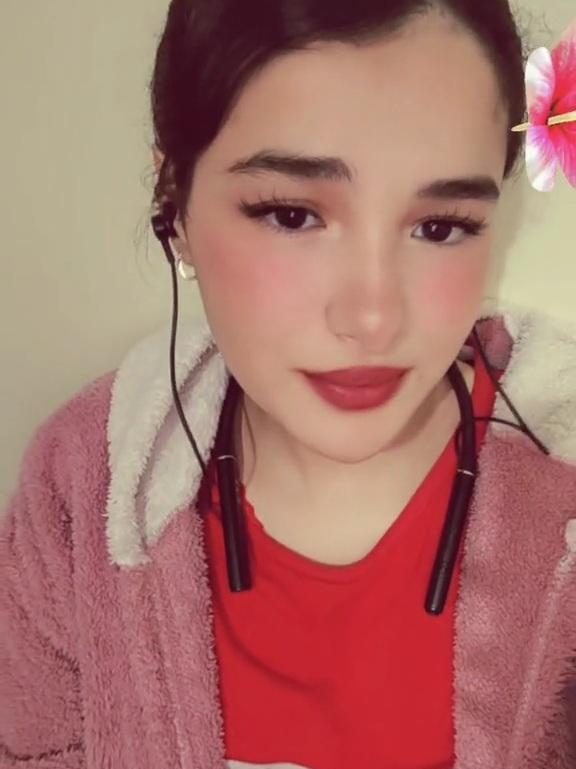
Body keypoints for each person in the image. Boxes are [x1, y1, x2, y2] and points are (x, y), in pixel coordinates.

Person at [1, 1, 576, 767]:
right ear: (174, 205)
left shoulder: (562, 492)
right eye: (292, 214)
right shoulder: (81, 487)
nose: (372, 318)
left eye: (440, 226)